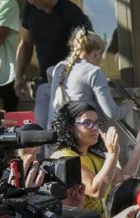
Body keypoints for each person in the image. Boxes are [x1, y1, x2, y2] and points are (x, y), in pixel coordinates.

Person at [50, 101, 140, 216]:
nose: (95, 128)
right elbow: (96, 191)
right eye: (87, 123)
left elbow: (123, 178)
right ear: (70, 127)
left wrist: (138, 149)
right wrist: (112, 155)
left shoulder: (92, 156)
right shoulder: (63, 156)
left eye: (97, 123)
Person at [14, 0, 92, 131]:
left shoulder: (71, 12)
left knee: (68, 133)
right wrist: (18, 75)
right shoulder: (30, 9)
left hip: (69, 87)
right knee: (42, 133)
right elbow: (26, 43)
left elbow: (85, 50)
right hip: (44, 84)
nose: (31, 1)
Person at [48, 27, 134, 125]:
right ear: (97, 53)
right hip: (81, 134)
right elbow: (112, 114)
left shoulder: (59, 67)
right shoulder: (94, 72)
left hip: (56, 131)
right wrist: (126, 106)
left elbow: (49, 71)